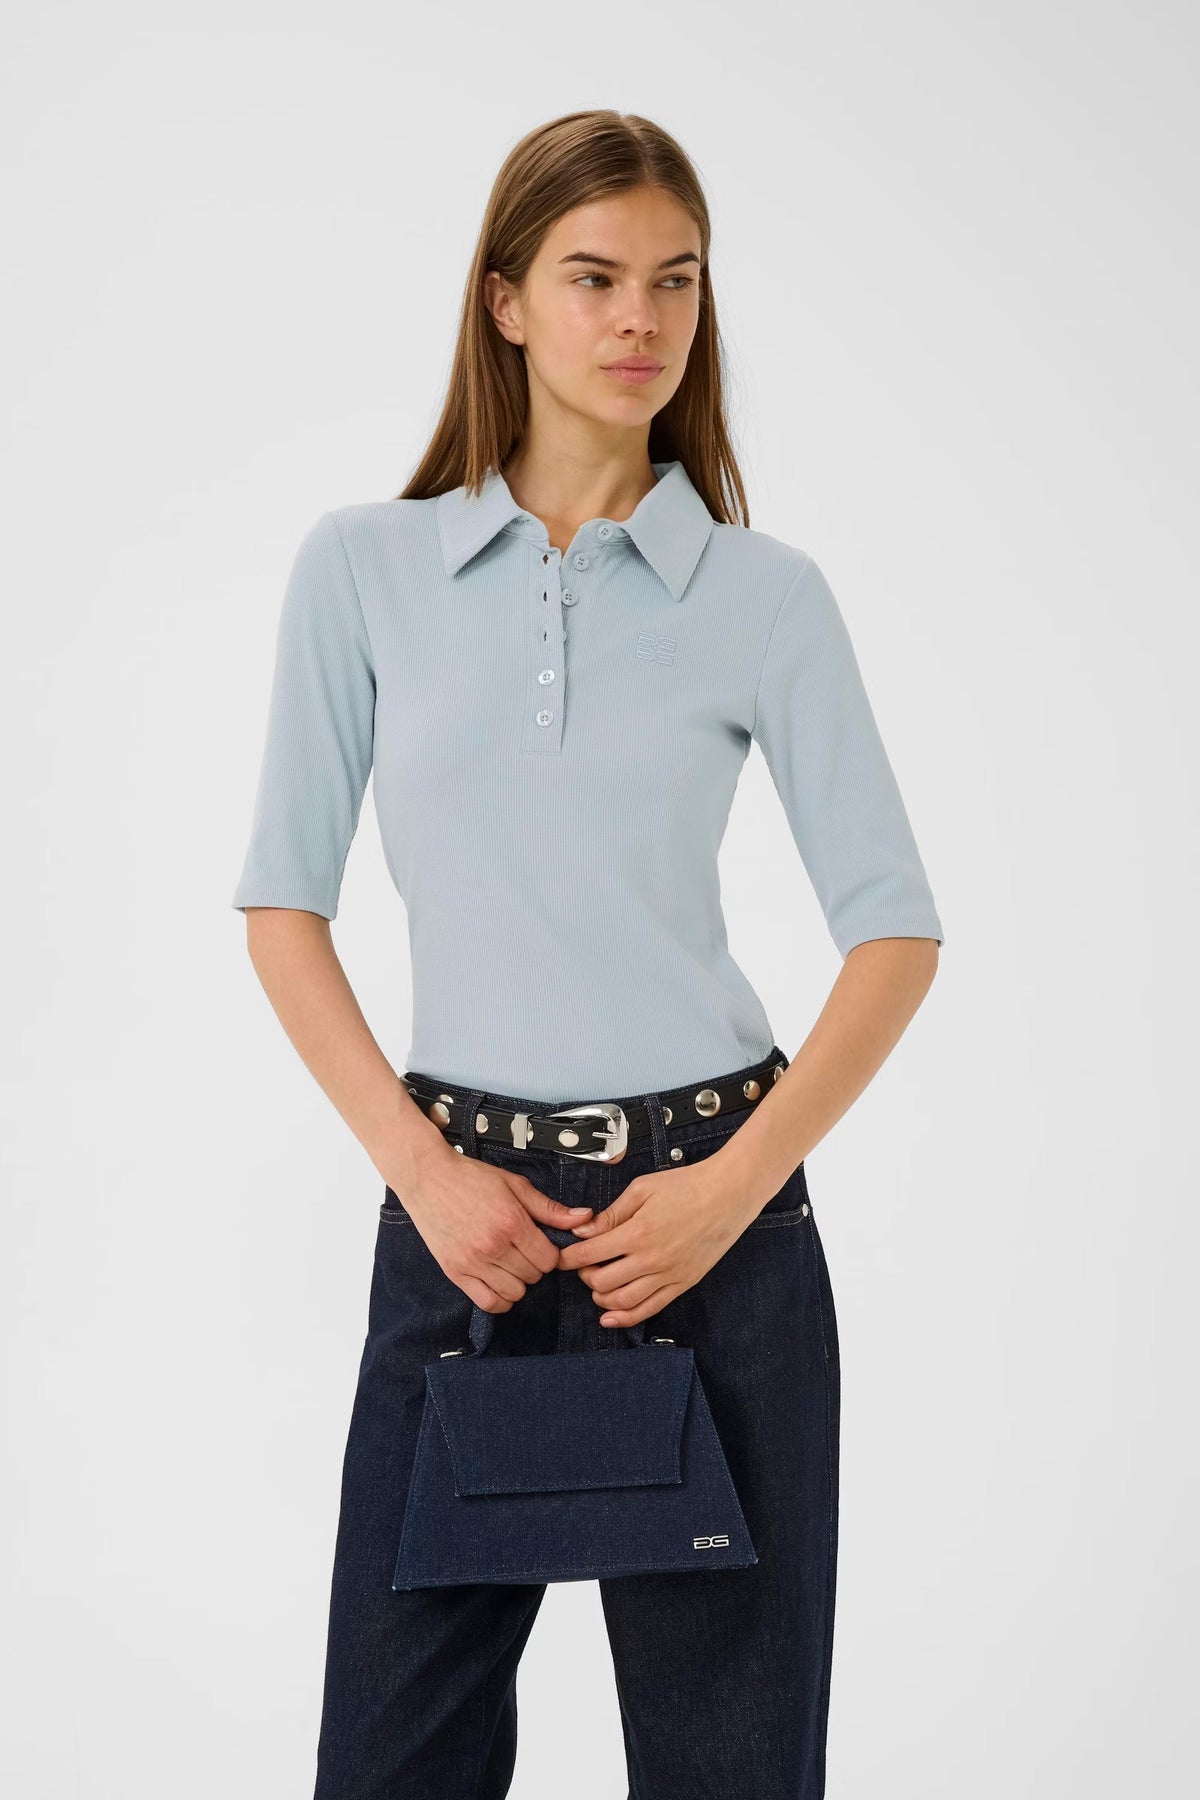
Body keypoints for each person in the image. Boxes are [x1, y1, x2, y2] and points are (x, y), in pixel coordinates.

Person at [231, 109, 944, 1800]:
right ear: (505, 302)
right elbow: (282, 908)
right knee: (388, 1763)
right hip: (463, 1236)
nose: (642, 319)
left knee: (731, 1771)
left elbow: (895, 932)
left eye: (675, 282)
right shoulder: (364, 570)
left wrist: (724, 1194)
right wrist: (423, 1174)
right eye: (595, 277)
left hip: (715, 1241)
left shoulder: (764, 596)